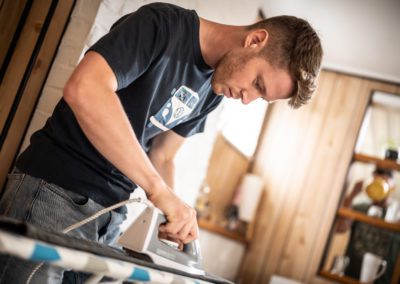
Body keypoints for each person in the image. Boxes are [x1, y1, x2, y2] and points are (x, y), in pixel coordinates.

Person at [0, 2, 323, 283]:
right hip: (54, 191)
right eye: (257, 83)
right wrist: (158, 191)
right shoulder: (162, 26)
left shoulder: (215, 89)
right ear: (255, 40)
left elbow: (164, 155)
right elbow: (85, 88)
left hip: (109, 217)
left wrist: (178, 214)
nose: (247, 99)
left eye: (260, 97)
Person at [335, 154, 400, 283]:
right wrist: (352, 195)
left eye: (385, 173)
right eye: (376, 173)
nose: (378, 177)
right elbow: (340, 228)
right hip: (351, 278)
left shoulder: (397, 214)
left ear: (393, 184)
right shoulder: (359, 208)